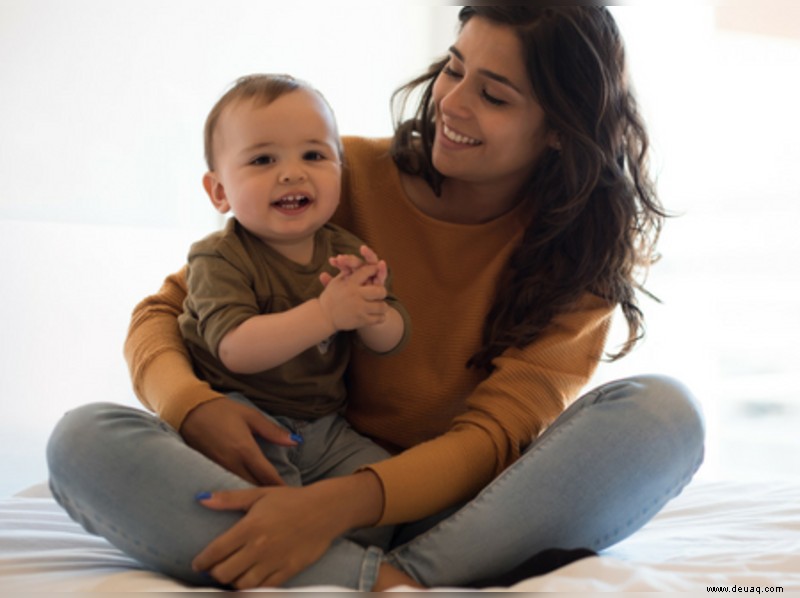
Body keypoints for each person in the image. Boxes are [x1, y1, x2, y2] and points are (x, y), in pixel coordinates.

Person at [47, 6, 705, 592]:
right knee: (83, 442)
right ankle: (397, 582)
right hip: (287, 469)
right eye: (454, 69)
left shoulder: (579, 261)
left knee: (665, 415)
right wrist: (192, 409)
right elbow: (164, 314)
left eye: (494, 96)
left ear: (559, 129)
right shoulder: (332, 176)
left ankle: (367, 574)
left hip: (448, 504)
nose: (452, 103)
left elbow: (492, 440)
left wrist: (337, 508)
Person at [177, 74, 407, 512]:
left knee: (385, 484)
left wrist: (373, 311)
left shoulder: (344, 251)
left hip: (323, 426)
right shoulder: (218, 258)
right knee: (272, 503)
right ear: (220, 191)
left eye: (314, 155)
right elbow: (235, 349)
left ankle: (339, 546)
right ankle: (301, 547)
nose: (292, 172)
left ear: (340, 168)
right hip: (241, 418)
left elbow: (391, 341)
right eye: (263, 160)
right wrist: (326, 315)